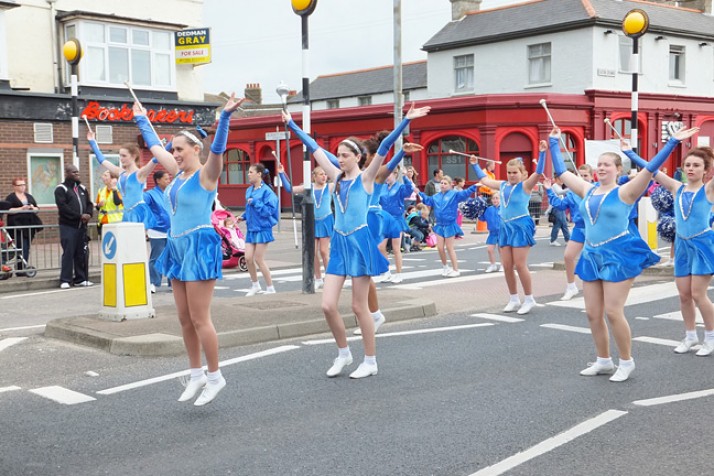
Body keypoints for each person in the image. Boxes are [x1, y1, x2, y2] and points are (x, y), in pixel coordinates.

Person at [283, 103, 430, 379]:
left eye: (344, 154)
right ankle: (343, 353)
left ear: (357, 157)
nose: (339, 158)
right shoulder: (335, 176)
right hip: (339, 242)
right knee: (327, 306)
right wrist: (291, 124)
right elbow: (313, 145)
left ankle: (370, 361)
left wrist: (405, 122)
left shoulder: (366, 177)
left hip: (360, 241)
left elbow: (385, 145)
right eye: (337, 154)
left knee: (357, 306)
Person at [550, 126, 698, 382]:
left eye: (608, 164)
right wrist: (554, 143)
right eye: (599, 164)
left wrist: (672, 141)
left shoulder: (625, 192)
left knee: (613, 311)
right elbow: (562, 172)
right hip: (592, 255)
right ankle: (603, 360)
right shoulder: (587, 189)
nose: (602, 168)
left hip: (618, 255)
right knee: (592, 313)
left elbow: (651, 169)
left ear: (619, 169)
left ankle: (626, 361)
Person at [132, 93, 244, 406]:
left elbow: (219, 149)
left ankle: (214, 375)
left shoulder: (207, 175)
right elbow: (155, 147)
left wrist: (224, 119)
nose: (174, 154)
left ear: (196, 149)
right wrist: (141, 117)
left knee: (200, 318)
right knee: (183, 318)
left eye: (180, 149)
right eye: (174, 150)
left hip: (199, 246)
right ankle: (195, 374)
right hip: (177, 246)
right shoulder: (178, 175)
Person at [622, 142, 714, 357]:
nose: (691, 169)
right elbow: (651, 169)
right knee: (684, 295)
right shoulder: (676, 187)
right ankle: (690, 336)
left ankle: (710, 337)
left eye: (696, 165)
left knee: (698, 294)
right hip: (682, 245)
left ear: (706, 170)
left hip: (702, 245)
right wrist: (628, 151)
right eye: (688, 165)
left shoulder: (708, 189)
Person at [469, 144, 547, 315]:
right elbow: (485, 180)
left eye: (515, 172)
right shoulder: (502, 185)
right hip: (505, 226)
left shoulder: (525, 186)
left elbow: (538, 172)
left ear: (521, 173)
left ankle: (529, 298)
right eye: (509, 172)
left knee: (520, 265)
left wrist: (542, 153)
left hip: (520, 225)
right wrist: (474, 164)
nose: (511, 175)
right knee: (506, 265)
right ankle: (513, 298)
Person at [278, 163, 333, 290]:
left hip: (325, 220)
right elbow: (289, 189)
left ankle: (330, 278)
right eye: (321, 174)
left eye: (325, 174)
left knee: (324, 251)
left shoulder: (329, 187)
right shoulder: (309, 187)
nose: (324, 177)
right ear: (314, 176)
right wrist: (281, 173)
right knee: (312, 252)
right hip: (312, 221)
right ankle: (318, 279)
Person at [87, 131, 157, 229]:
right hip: (126, 213)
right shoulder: (120, 172)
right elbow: (102, 160)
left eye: (124, 156)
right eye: (120, 155)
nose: (121, 158)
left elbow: (155, 159)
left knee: (137, 242)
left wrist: (168, 145)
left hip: (138, 212)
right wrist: (92, 142)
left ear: (133, 156)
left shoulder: (140, 174)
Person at [545, 164, 594, 300]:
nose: (583, 178)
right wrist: (549, 190)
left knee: (594, 258)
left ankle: (606, 285)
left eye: (586, 175)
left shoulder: (596, 190)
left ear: (591, 177)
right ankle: (571, 286)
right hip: (579, 227)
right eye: (581, 175)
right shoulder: (572, 193)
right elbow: (560, 205)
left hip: (595, 229)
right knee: (568, 256)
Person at [418, 175, 478, 277]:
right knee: (440, 248)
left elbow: (465, 193)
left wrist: (474, 186)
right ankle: (445, 266)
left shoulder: (454, 195)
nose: (443, 185)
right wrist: (418, 192)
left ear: (451, 185)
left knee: (450, 248)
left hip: (450, 224)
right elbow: (428, 200)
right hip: (440, 225)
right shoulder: (436, 196)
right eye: (441, 183)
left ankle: (456, 269)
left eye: (445, 183)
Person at [239, 163, 278, 297]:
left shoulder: (267, 192)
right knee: (248, 258)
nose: (248, 174)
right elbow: (249, 208)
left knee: (258, 258)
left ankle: (270, 287)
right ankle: (255, 285)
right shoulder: (249, 190)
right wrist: (242, 217)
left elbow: (270, 211)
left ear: (259, 174)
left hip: (263, 228)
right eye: (248, 172)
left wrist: (256, 203)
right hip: (251, 228)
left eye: (251, 172)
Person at [54, 165, 93, 289]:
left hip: (82, 226)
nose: (77, 173)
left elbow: (89, 203)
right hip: (68, 226)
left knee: (81, 253)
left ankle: (80, 279)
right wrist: (79, 216)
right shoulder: (61, 189)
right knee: (69, 252)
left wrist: (88, 214)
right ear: (66, 173)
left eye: (77, 171)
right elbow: (63, 207)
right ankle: (65, 279)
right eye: (73, 172)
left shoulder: (82, 188)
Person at [378, 167, 415, 283]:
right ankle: (386, 272)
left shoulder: (400, 187)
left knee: (396, 248)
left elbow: (409, 190)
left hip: (396, 220)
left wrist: (405, 177)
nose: (387, 177)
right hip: (384, 220)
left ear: (395, 174)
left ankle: (398, 274)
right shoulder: (382, 187)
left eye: (389, 175)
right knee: (380, 247)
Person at [5, 177, 42, 272]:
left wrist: (33, 208)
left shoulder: (29, 196)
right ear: (14, 186)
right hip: (17, 226)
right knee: (21, 247)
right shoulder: (11, 197)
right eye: (20, 185)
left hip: (29, 225)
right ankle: (21, 268)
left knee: (27, 247)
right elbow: (8, 210)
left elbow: (37, 209)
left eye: (24, 184)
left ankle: (21, 267)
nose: (22, 187)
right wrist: (22, 208)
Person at [144, 170, 171, 293]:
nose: (168, 181)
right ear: (158, 180)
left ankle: (173, 283)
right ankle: (153, 283)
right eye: (166, 179)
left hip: (171, 230)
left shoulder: (170, 193)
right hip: (157, 230)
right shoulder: (150, 194)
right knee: (156, 257)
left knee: (172, 257)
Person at [95, 170, 123, 235]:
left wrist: (114, 189)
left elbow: (117, 202)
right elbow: (98, 207)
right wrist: (98, 205)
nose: (103, 177)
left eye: (105, 175)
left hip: (116, 223)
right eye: (103, 175)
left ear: (113, 178)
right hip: (103, 223)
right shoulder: (101, 190)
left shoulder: (120, 190)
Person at [545, 177, 571, 247]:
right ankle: (554, 240)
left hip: (559, 207)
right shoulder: (555, 186)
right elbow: (559, 192)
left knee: (563, 224)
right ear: (556, 179)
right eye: (560, 179)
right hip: (556, 208)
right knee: (559, 224)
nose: (562, 181)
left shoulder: (559, 186)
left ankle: (567, 240)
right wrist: (570, 189)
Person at [482, 192, 501, 273]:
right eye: (493, 198)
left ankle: (503, 264)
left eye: (497, 198)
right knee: (490, 249)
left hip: (502, 232)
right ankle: (493, 265)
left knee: (502, 250)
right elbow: (483, 218)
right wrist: (479, 213)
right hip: (492, 232)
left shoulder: (504, 208)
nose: (495, 200)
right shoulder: (489, 209)